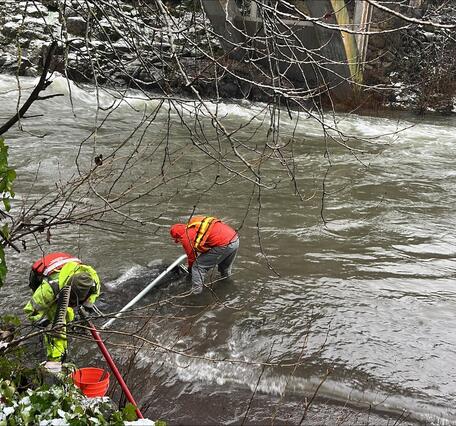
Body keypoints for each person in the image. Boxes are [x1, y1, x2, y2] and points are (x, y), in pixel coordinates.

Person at [24, 252, 101, 367]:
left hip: (64, 271)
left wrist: (86, 309)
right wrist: (46, 324)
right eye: (72, 301)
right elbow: (31, 311)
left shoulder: (92, 279)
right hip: (42, 279)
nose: (73, 305)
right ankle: (55, 361)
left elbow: (93, 295)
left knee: (68, 317)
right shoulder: (48, 290)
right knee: (57, 325)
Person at [170, 216, 239, 294]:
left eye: (177, 239)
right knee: (225, 268)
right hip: (235, 238)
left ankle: (196, 293)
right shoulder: (195, 225)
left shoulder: (186, 237)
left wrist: (190, 269)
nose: (179, 241)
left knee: (197, 267)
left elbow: (192, 258)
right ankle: (227, 283)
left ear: (178, 236)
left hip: (224, 244)